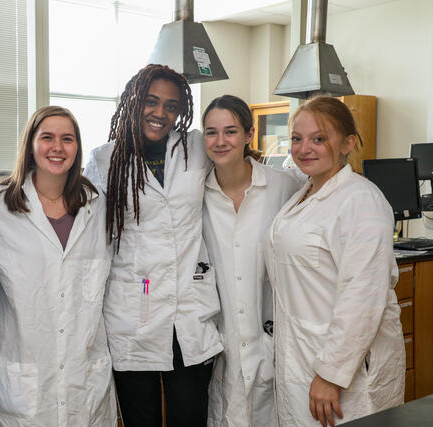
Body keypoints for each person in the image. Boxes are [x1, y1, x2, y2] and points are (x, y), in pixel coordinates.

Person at [83, 64, 223, 427]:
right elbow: (88, 232)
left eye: (172, 106)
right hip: (133, 315)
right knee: (139, 418)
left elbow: (238, 166)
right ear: (133, 100)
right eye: (151, 101)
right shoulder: (104, 159)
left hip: (190, 312)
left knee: (190, 417)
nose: (161, 113)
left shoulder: (196, 147)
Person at [264, 96, 405, 426]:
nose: (304, 148)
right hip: (300, 356)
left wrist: (330, 375)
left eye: (319, 138)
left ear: (348, 143)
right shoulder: (304, 194)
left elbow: (362, 298)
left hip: (345, 370)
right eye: (297, 139)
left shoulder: (362, 201)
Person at [0, 106, 116, 426]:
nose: (57, 147)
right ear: (30, 144)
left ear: (77, 147)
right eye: (47, 137)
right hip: (24, 379)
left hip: (85, 376)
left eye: (67, 139)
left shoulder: (99, 206)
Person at [201, 95, 303, 427]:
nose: (219, 141)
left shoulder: (283, 186)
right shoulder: (196, 195)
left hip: (273, 339)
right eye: (211, 132)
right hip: (222, 345)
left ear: (249, 134)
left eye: (230, 131)